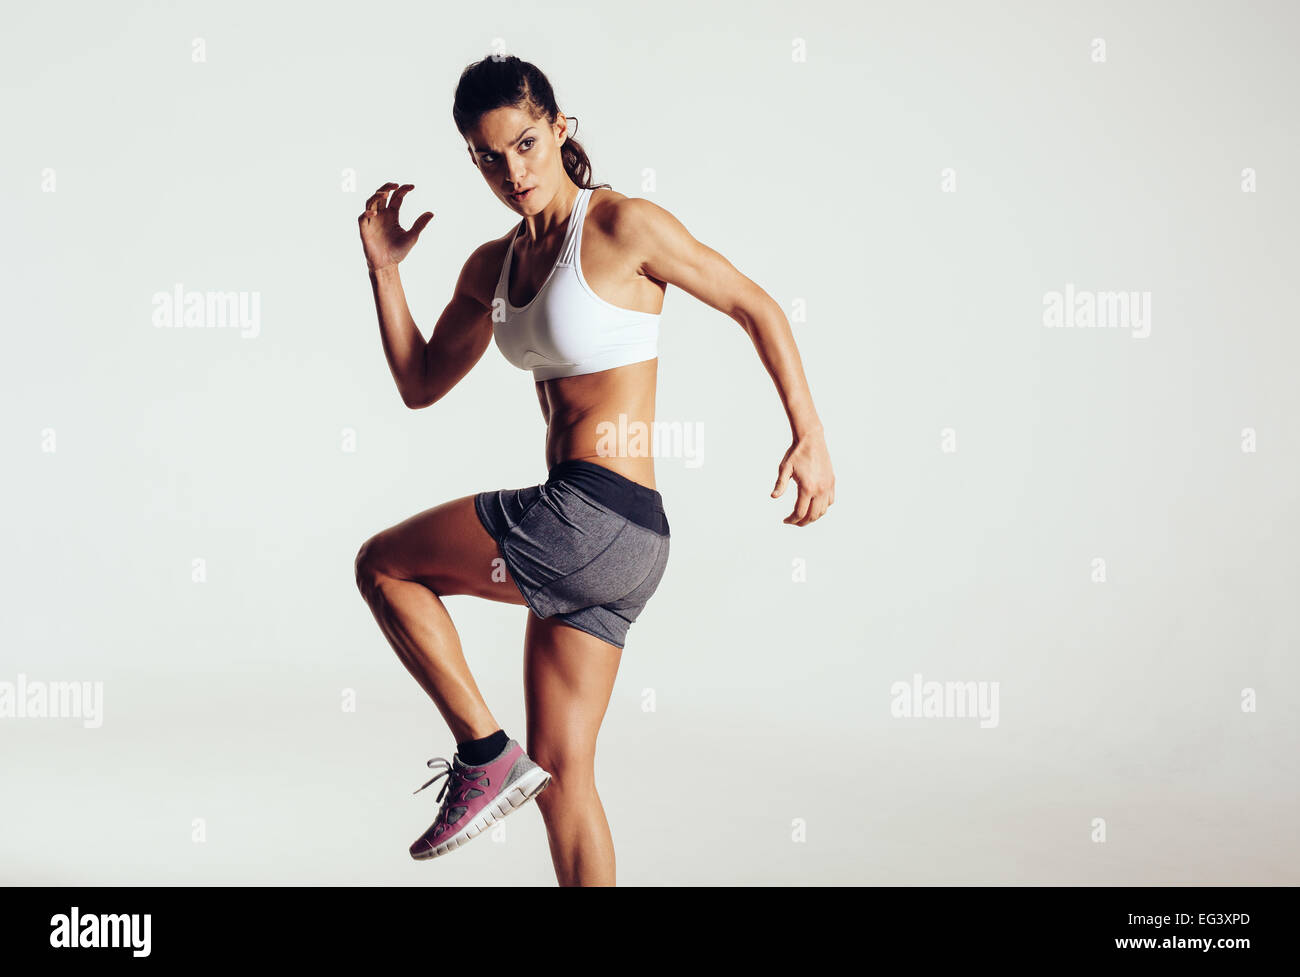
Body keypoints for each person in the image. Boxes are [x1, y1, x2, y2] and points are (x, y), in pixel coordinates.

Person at [353, 54, 835, 886]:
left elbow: (753, 303)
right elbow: (421, 382)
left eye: (529, 144)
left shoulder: (620, 227)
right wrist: (386, 271)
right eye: (491, 156)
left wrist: (809, 433)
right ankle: (506, 764)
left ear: (560, 127)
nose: (515, 171)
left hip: (593, 517)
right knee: (564, 777)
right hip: (621, 547)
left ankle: (481, 753)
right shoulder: (490, 268)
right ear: (473, 158)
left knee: (383, 564)